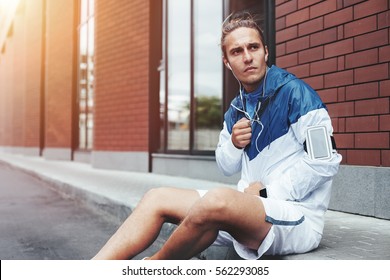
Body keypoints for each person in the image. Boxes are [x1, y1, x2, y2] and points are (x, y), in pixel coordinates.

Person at [92, 12, 341, 260]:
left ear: (266, 52)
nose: (247, 57)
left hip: (296, 217)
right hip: (245, 209)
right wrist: (233, 143)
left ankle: (154, 268)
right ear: (226, 61)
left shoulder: (299, 95)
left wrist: (267, 193)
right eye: (236, 51)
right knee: (156, 198)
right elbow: (226, 165)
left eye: (253, 47)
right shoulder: (236, 108)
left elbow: (324, 161)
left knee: (217, 199)